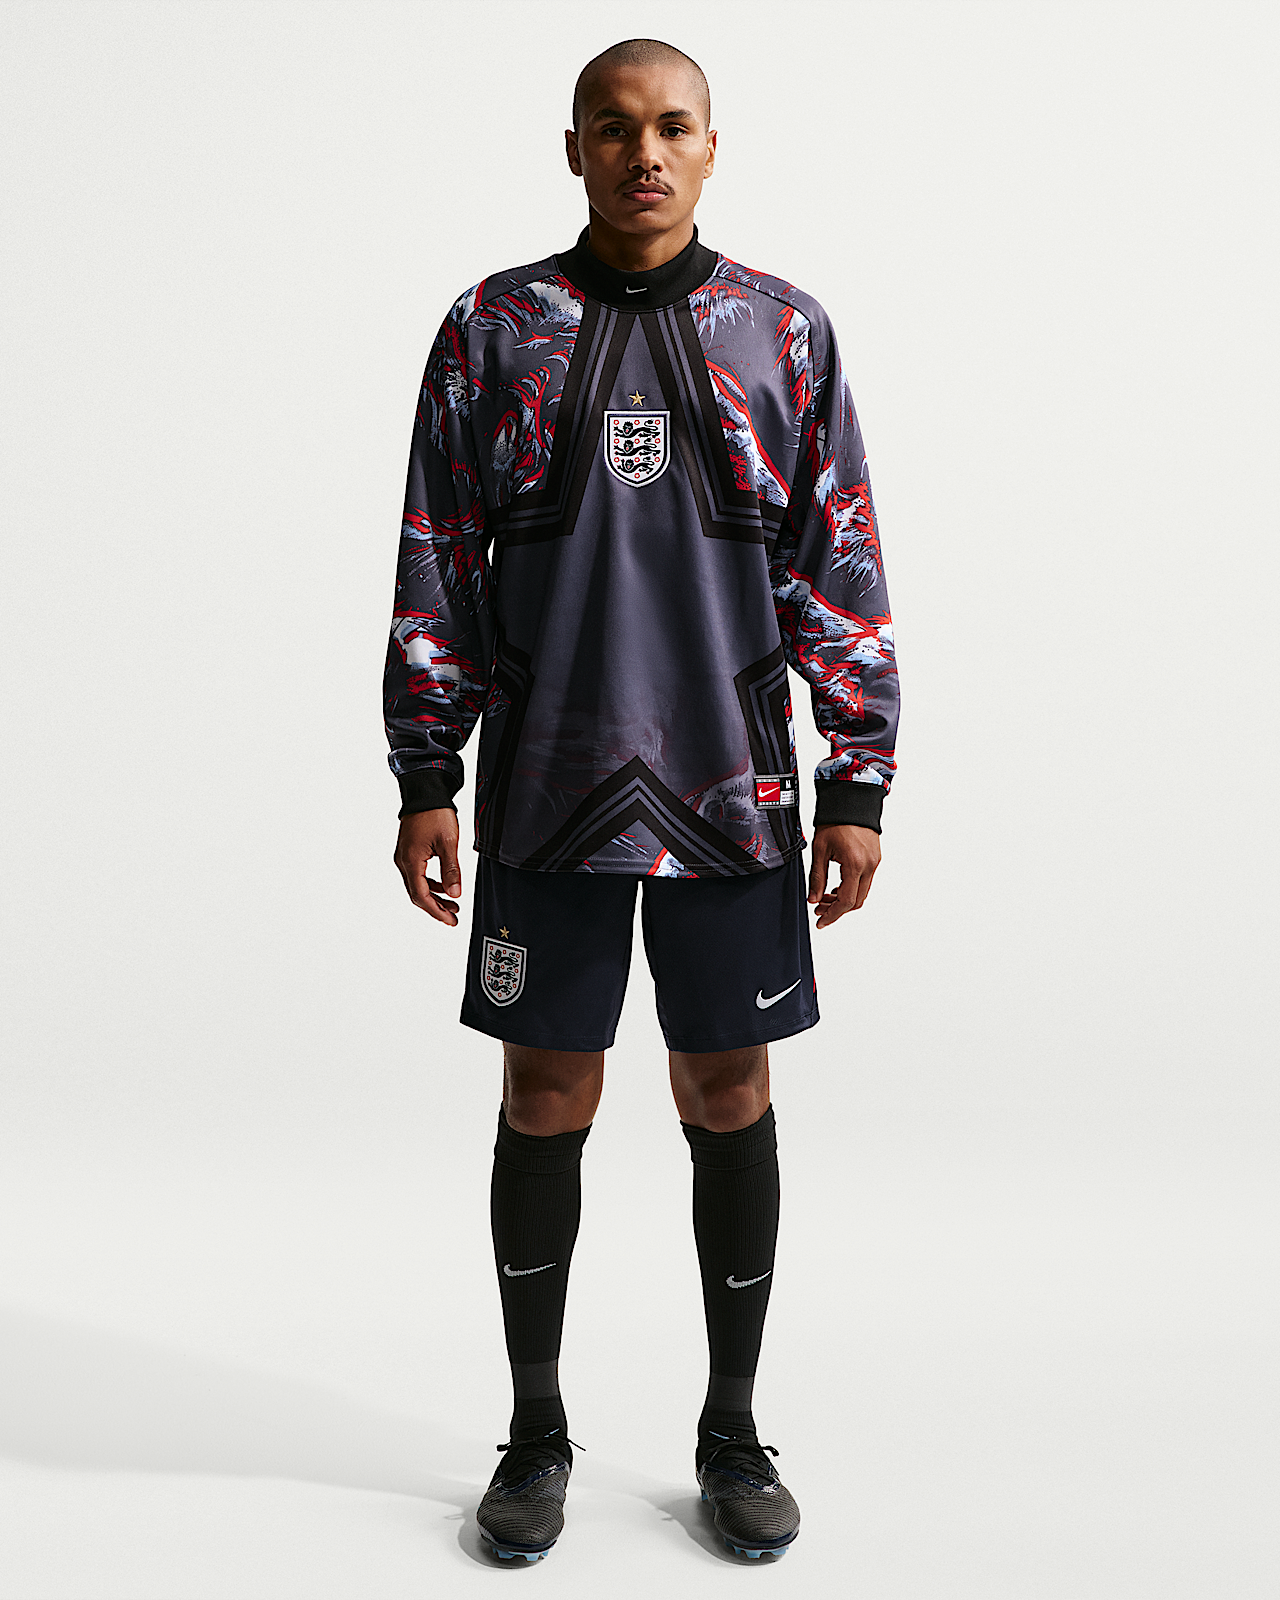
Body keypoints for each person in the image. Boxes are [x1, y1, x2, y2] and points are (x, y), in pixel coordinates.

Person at [384, 37, 898, 1563]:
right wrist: (425, 766)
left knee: (727, 1092)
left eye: (672, 126)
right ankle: (535, 1434)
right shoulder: (495, 328)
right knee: (545, 1097)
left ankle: (732, 1433)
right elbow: (436, 553)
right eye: (614, 128)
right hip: (544, 793)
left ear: (713, 145)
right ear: (574, 149)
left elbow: (838, 561)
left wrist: (858, 777)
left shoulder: (782, 332)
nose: (645, 152)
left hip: (729, 793)